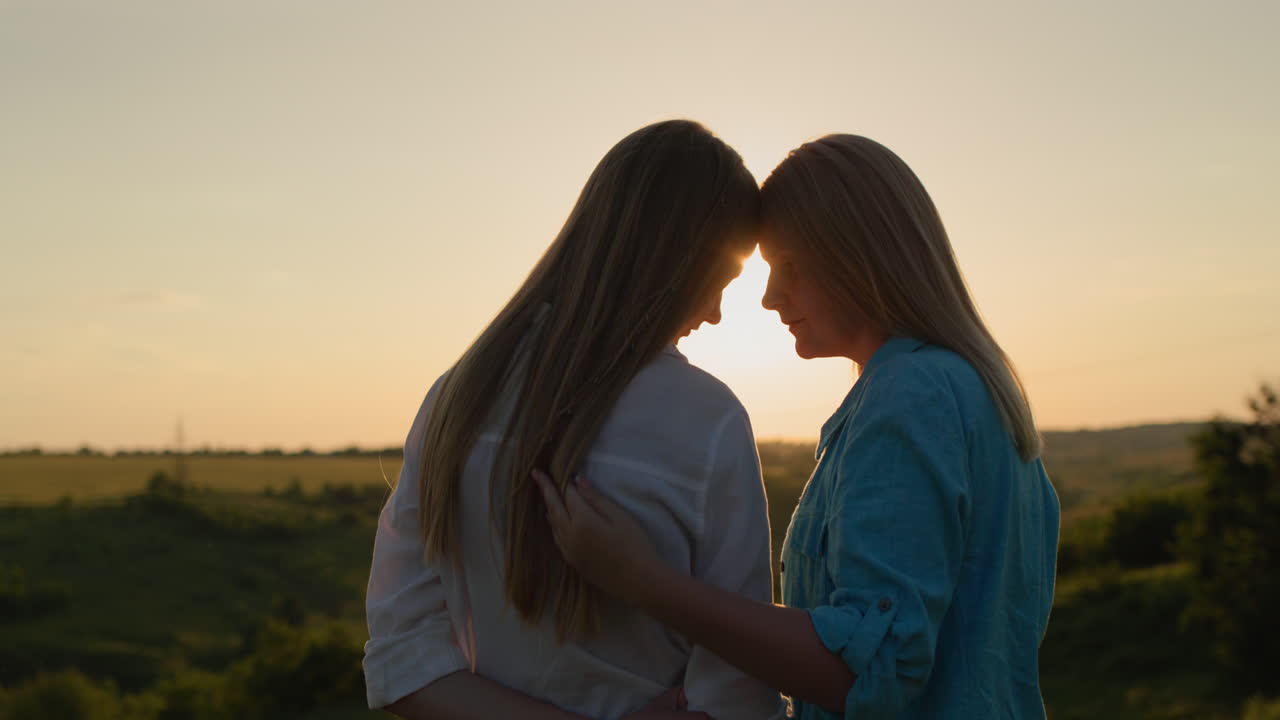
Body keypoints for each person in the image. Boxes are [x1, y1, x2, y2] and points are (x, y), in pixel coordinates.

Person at [537, 134, 1061, 719]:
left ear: (862, 256)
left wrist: (643, 580)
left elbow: (872, 670)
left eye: (789, 266)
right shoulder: (967, 389)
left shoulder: (911, 394)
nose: (768, 298)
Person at [363, 120, 788, 720]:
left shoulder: (457, 398)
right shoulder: (708, 420)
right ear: (675, 264)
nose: (716, 314)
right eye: (719, 281)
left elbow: (400, 660)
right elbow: (736, 697)